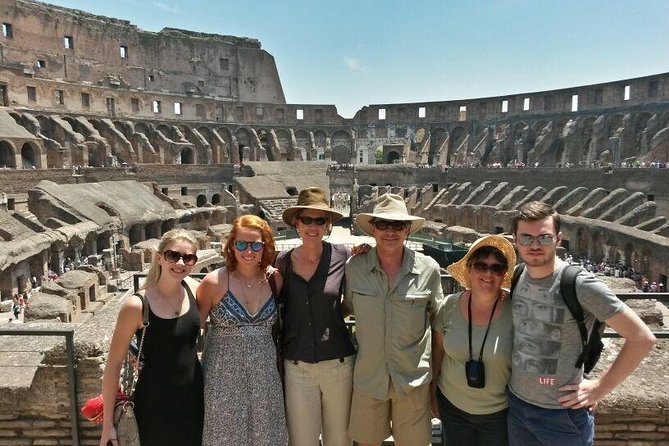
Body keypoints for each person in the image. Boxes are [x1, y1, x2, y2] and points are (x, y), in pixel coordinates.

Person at [508, 201, 656, 446]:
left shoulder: (579, 284)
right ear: (516, 240)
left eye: (544, 238)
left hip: (562, 416)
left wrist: (599, 388)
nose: (535, 245)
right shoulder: (517, 276)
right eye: (526, 238)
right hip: (517, 407)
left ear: (558, 239)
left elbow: (642, 338)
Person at [344, 193, 444, 446]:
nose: (390, 231)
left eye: (398, 225)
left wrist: (436, 383)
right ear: (373, 229)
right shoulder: (354, 267)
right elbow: (344, 308)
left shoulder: (428, 269)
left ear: (407, 229)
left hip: (412, 381)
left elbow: (439, 325)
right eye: (383, 224)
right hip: (370, 378)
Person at [99, 228, 204, 446]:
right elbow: (113, 364)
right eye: (173, 255)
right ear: (159, 257)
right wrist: (108, 424)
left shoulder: (196, 290)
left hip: (194, 400)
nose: (180, 263)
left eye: (188, 258)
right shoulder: (137, 305)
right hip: (154, 403)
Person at [277, 187, 362, 446]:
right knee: (302, 440)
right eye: (307, 219)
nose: (313, 226)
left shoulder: (345, 256)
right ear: (296, 223)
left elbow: (354, 299)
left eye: (320, 220)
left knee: (339, 440)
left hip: (338, 363)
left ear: (328, 225)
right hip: (298, 366)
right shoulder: (282, 262)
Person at [197, 214, 288, 446]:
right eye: (241, 244)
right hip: (222, 377)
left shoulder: (274, 280)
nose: (249, 251)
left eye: (256, 244)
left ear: (265, 246)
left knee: (267, 436)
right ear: (231, 246)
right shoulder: (213, 283)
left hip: (264, 377)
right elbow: (190, 330)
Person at [431, 235, 516, 446]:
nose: (489, 273)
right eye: (481, 265)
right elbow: (437, 353)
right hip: (452, 408)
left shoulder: (516, 311)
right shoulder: (449, 306)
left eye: (497, 268)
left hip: (499, 413)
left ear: (503, 273)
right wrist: (431, 394)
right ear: (469, 268)